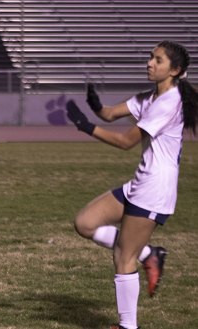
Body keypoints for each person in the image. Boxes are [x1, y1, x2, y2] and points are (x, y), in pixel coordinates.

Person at [66, 41, 198, 329]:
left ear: (174, 70)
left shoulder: (169, 101)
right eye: (151, 57)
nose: (150, 62)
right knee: (84, 223)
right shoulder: (150, 96)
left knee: (123, 257)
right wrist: (95, 105)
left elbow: (126, 142)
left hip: (155, 189)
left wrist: (86, 127)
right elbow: (110, 114)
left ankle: (128, 326)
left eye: (158, 60)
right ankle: (149, 254)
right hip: (140, 182)